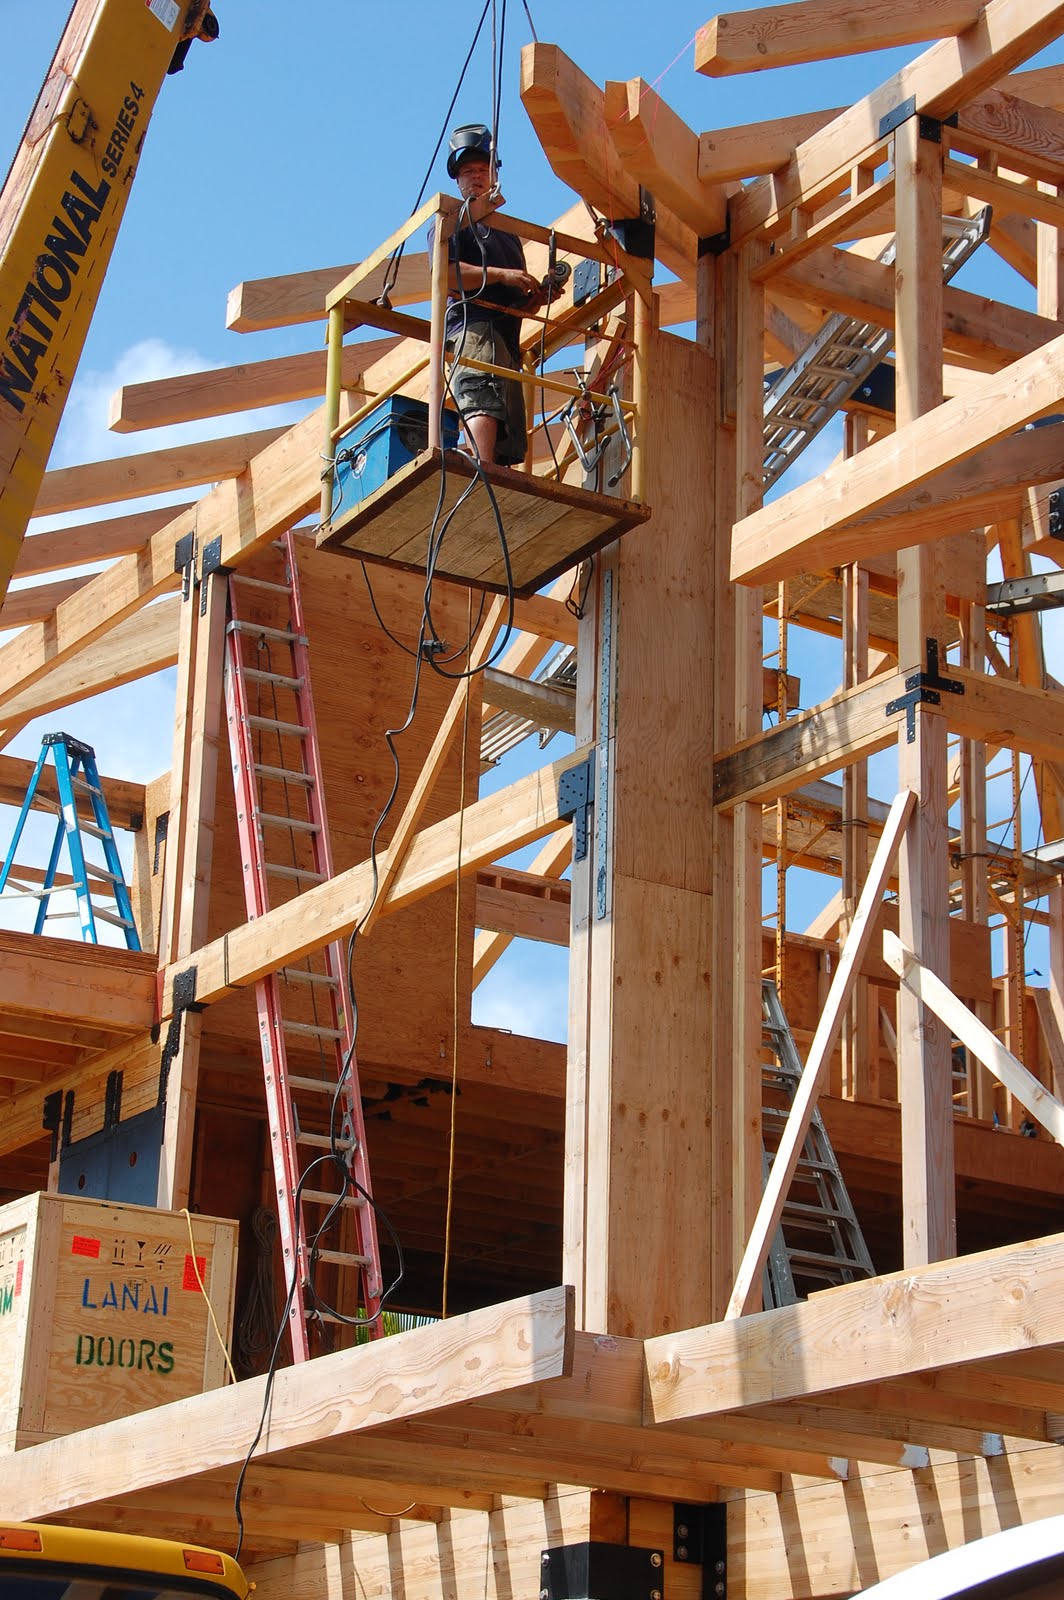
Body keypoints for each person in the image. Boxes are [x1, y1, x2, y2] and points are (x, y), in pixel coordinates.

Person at [431, 124, 544, 467]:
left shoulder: (508, 234)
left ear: (495, 174)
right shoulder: (451, 219)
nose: (477, 176)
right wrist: (502, 275)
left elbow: (515, 303)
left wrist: (537, 297)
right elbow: (445, 274)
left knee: (504, 419)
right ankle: (481, 469)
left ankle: (490, 469)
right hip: (475, 325)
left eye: (483, 169)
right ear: (457, 180)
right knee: (482, 396)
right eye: (468, 172)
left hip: (506, 338)